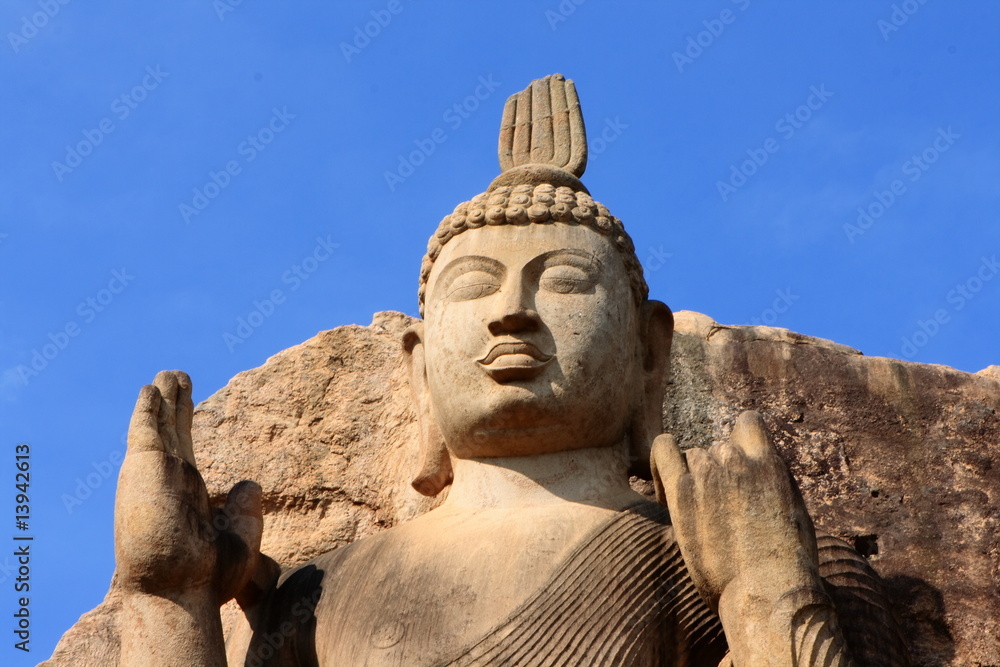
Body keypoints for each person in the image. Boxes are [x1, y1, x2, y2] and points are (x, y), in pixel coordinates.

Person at [113, 74, 908, 666]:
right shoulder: (324, 595)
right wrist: (170, 596)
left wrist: (764, 588)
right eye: (475, 286)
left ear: (649, 352)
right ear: (420, 369)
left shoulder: (713, 554)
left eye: (563, 281)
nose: (512, 313)